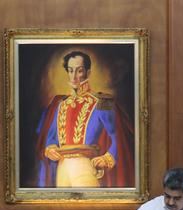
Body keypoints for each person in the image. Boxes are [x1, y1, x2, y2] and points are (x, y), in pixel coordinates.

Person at [36, 50, 134, 188]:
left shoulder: (102, 102)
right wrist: (50, 148)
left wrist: (107, 157)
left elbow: (117, 136)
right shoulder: (60, 104)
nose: (74, 76)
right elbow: (51, 138)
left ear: (88, 73)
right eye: (70, 71)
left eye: (79, 71)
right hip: (62, 167)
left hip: (85, 166)